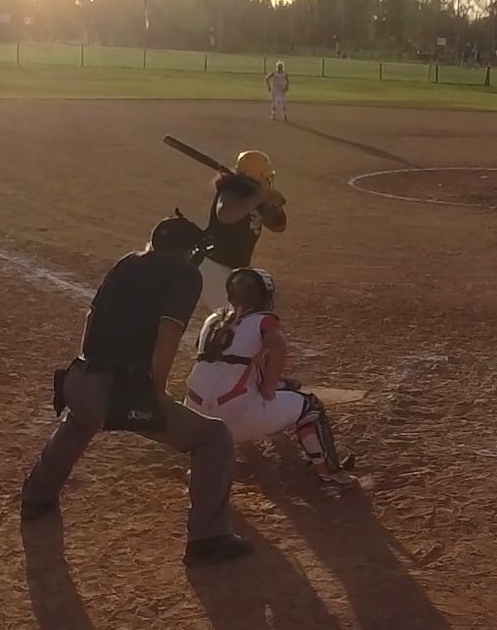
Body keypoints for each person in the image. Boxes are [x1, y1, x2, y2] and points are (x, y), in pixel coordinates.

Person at [19, 214, 250, 566]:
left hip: (78, 379)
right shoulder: (185, 273)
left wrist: (88, 367)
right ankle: (208, 537)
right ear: (188, 251)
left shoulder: (128, 262)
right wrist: (155, 390)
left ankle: (36, 496)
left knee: (81, 419)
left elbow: (91, 318)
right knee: (214, 437)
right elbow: (168, 332)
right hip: (118, 389)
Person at [184, 267, 354, 487]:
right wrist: (269, 387)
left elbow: (223, 360)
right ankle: (328, 472)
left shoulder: (212, 319)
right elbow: (278, 346)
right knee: (310, 406)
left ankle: (202, 467)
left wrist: (276, 382)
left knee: (241, 389)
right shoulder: (263, 321)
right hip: (232, 419)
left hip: (192, 419)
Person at [198, 150, 289, 310]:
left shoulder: (256, 195)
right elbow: (225, 215)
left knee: (241, 314)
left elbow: (279, 226)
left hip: (233, 270)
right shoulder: (232, 190)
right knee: (236, 315)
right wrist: (258, 198)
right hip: (213, 266)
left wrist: (274, 206)